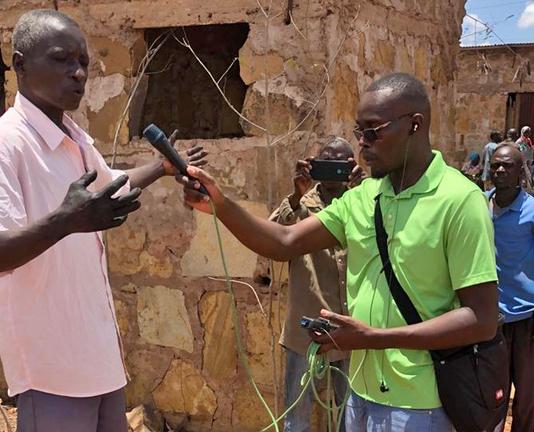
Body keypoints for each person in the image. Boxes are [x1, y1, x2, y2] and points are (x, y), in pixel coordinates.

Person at [178, 73, 499, 432]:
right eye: (359, 131)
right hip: (360, 398)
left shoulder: (460, 200)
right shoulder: (363, 198)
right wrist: (220, 204)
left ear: (415, 125)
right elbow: (285, 241)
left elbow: (482, 318)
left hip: (421, 405)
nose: (362, 144)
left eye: (373, 131)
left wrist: (374, 339)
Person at [0, 9, 207, 431]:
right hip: (52, 372)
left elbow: (113, 186)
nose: (77, 73)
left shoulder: (75, 140)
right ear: (20, 64)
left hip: (99, 363)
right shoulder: (6, 145)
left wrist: (161, 168)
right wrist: (65, 221)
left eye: (83, 63)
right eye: (62, 59)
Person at [270, 137, 365, 432]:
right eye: (327, 162)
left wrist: (364, 192)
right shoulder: (301, 205)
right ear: (314, 164)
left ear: (352, 166)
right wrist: (296, 194)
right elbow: (274, 237)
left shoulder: (362, 202)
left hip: (350, 328)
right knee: (297, 416)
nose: (334, 170)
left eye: (341, 165)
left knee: (351, 415)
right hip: (306, 330)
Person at [486, 145, 534, 432]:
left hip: (526, 318)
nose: (500, 170)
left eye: (507, 166)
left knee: (526, 392)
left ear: (521, 171)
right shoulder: (479, 206)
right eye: (496, 165)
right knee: (493, 391)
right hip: (489, 317)